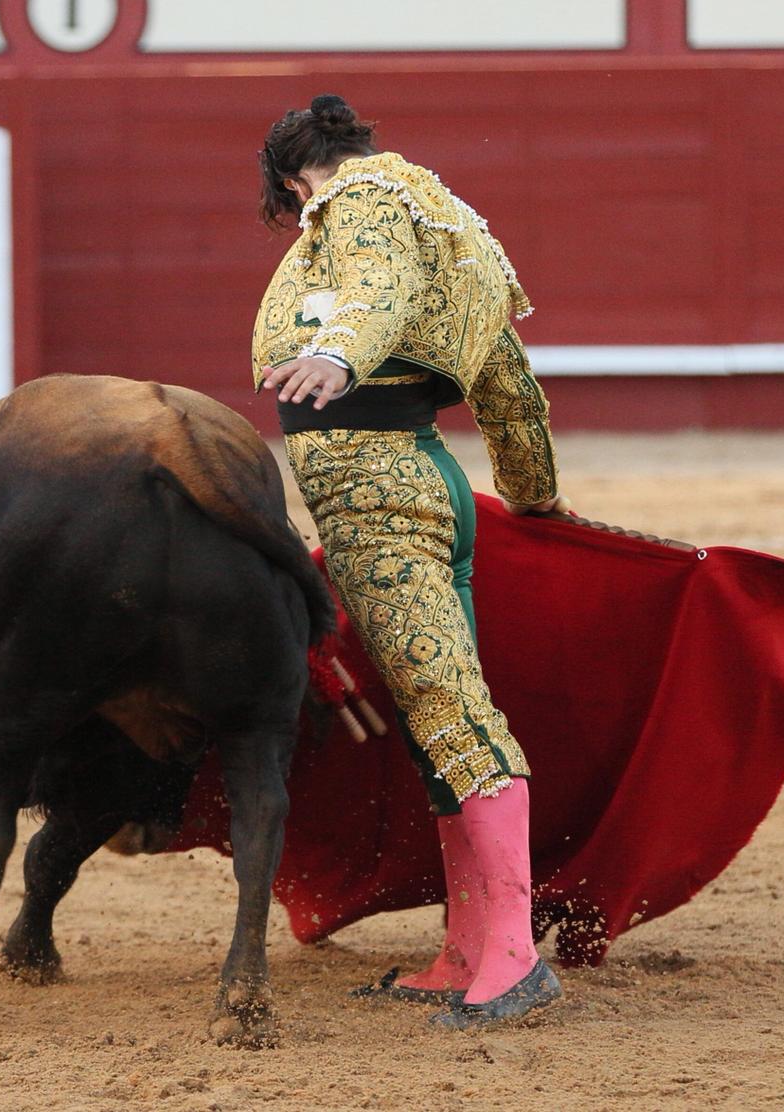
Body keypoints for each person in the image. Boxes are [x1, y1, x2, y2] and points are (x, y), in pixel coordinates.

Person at [253, 94, 569, 1028]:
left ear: (290, 182)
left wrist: (340, 358)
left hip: (377, 496)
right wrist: (535, 494)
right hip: (429, 482)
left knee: (449, 709)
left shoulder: (357, 206)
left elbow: (374, 288)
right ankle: (470, 943)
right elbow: (509, 385)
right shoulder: (452, 223)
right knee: (441, 710)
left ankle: (511, 957)